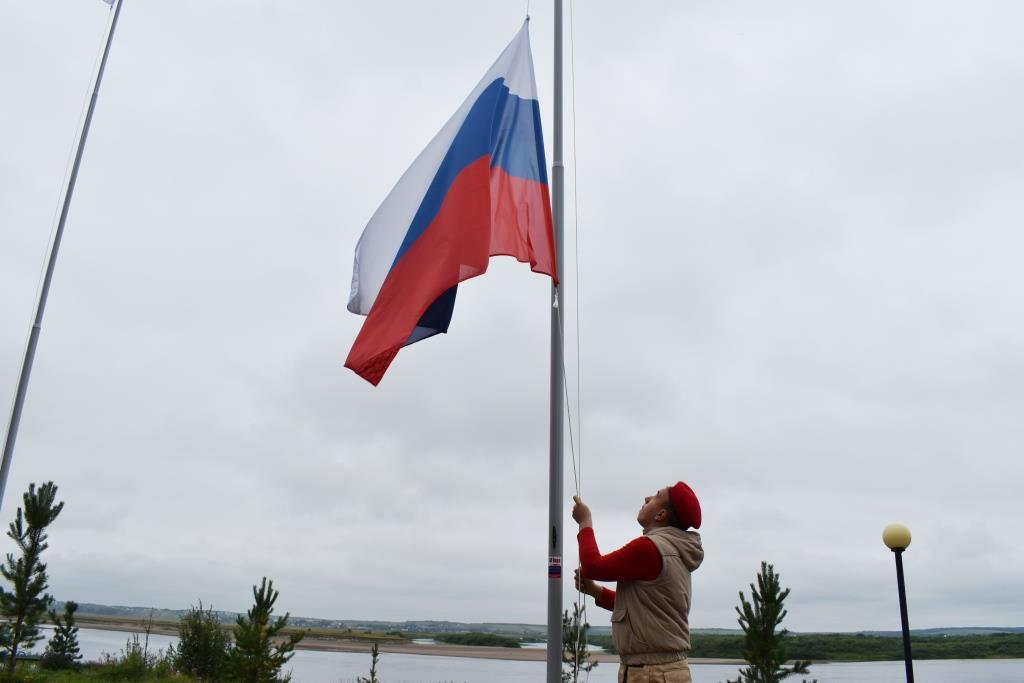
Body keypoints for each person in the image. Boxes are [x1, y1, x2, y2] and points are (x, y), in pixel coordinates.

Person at [572, 482, 704, 683]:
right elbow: (641, 608)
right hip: (662, 672)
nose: (647, 498)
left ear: (660, 515)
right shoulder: (674, 551)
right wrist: (597, 592)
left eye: (656, 496)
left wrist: (585, 521)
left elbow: (592, 566)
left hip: (652, 674)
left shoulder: (649, 548)